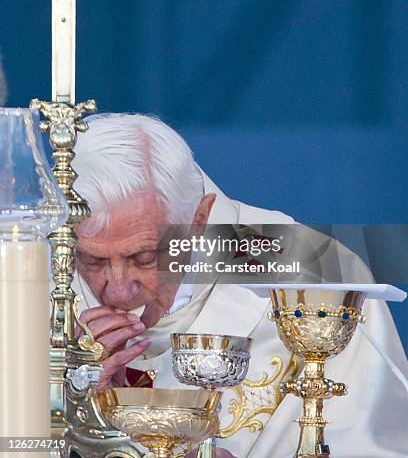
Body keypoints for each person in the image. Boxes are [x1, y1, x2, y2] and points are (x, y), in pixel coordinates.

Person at [71, 113, 408, 458]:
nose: (117, 291)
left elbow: (373, 446)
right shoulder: (32, 284)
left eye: (143, 257)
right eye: (91, 261)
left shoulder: (317, 273)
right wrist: (76, 411)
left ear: (199, 221)